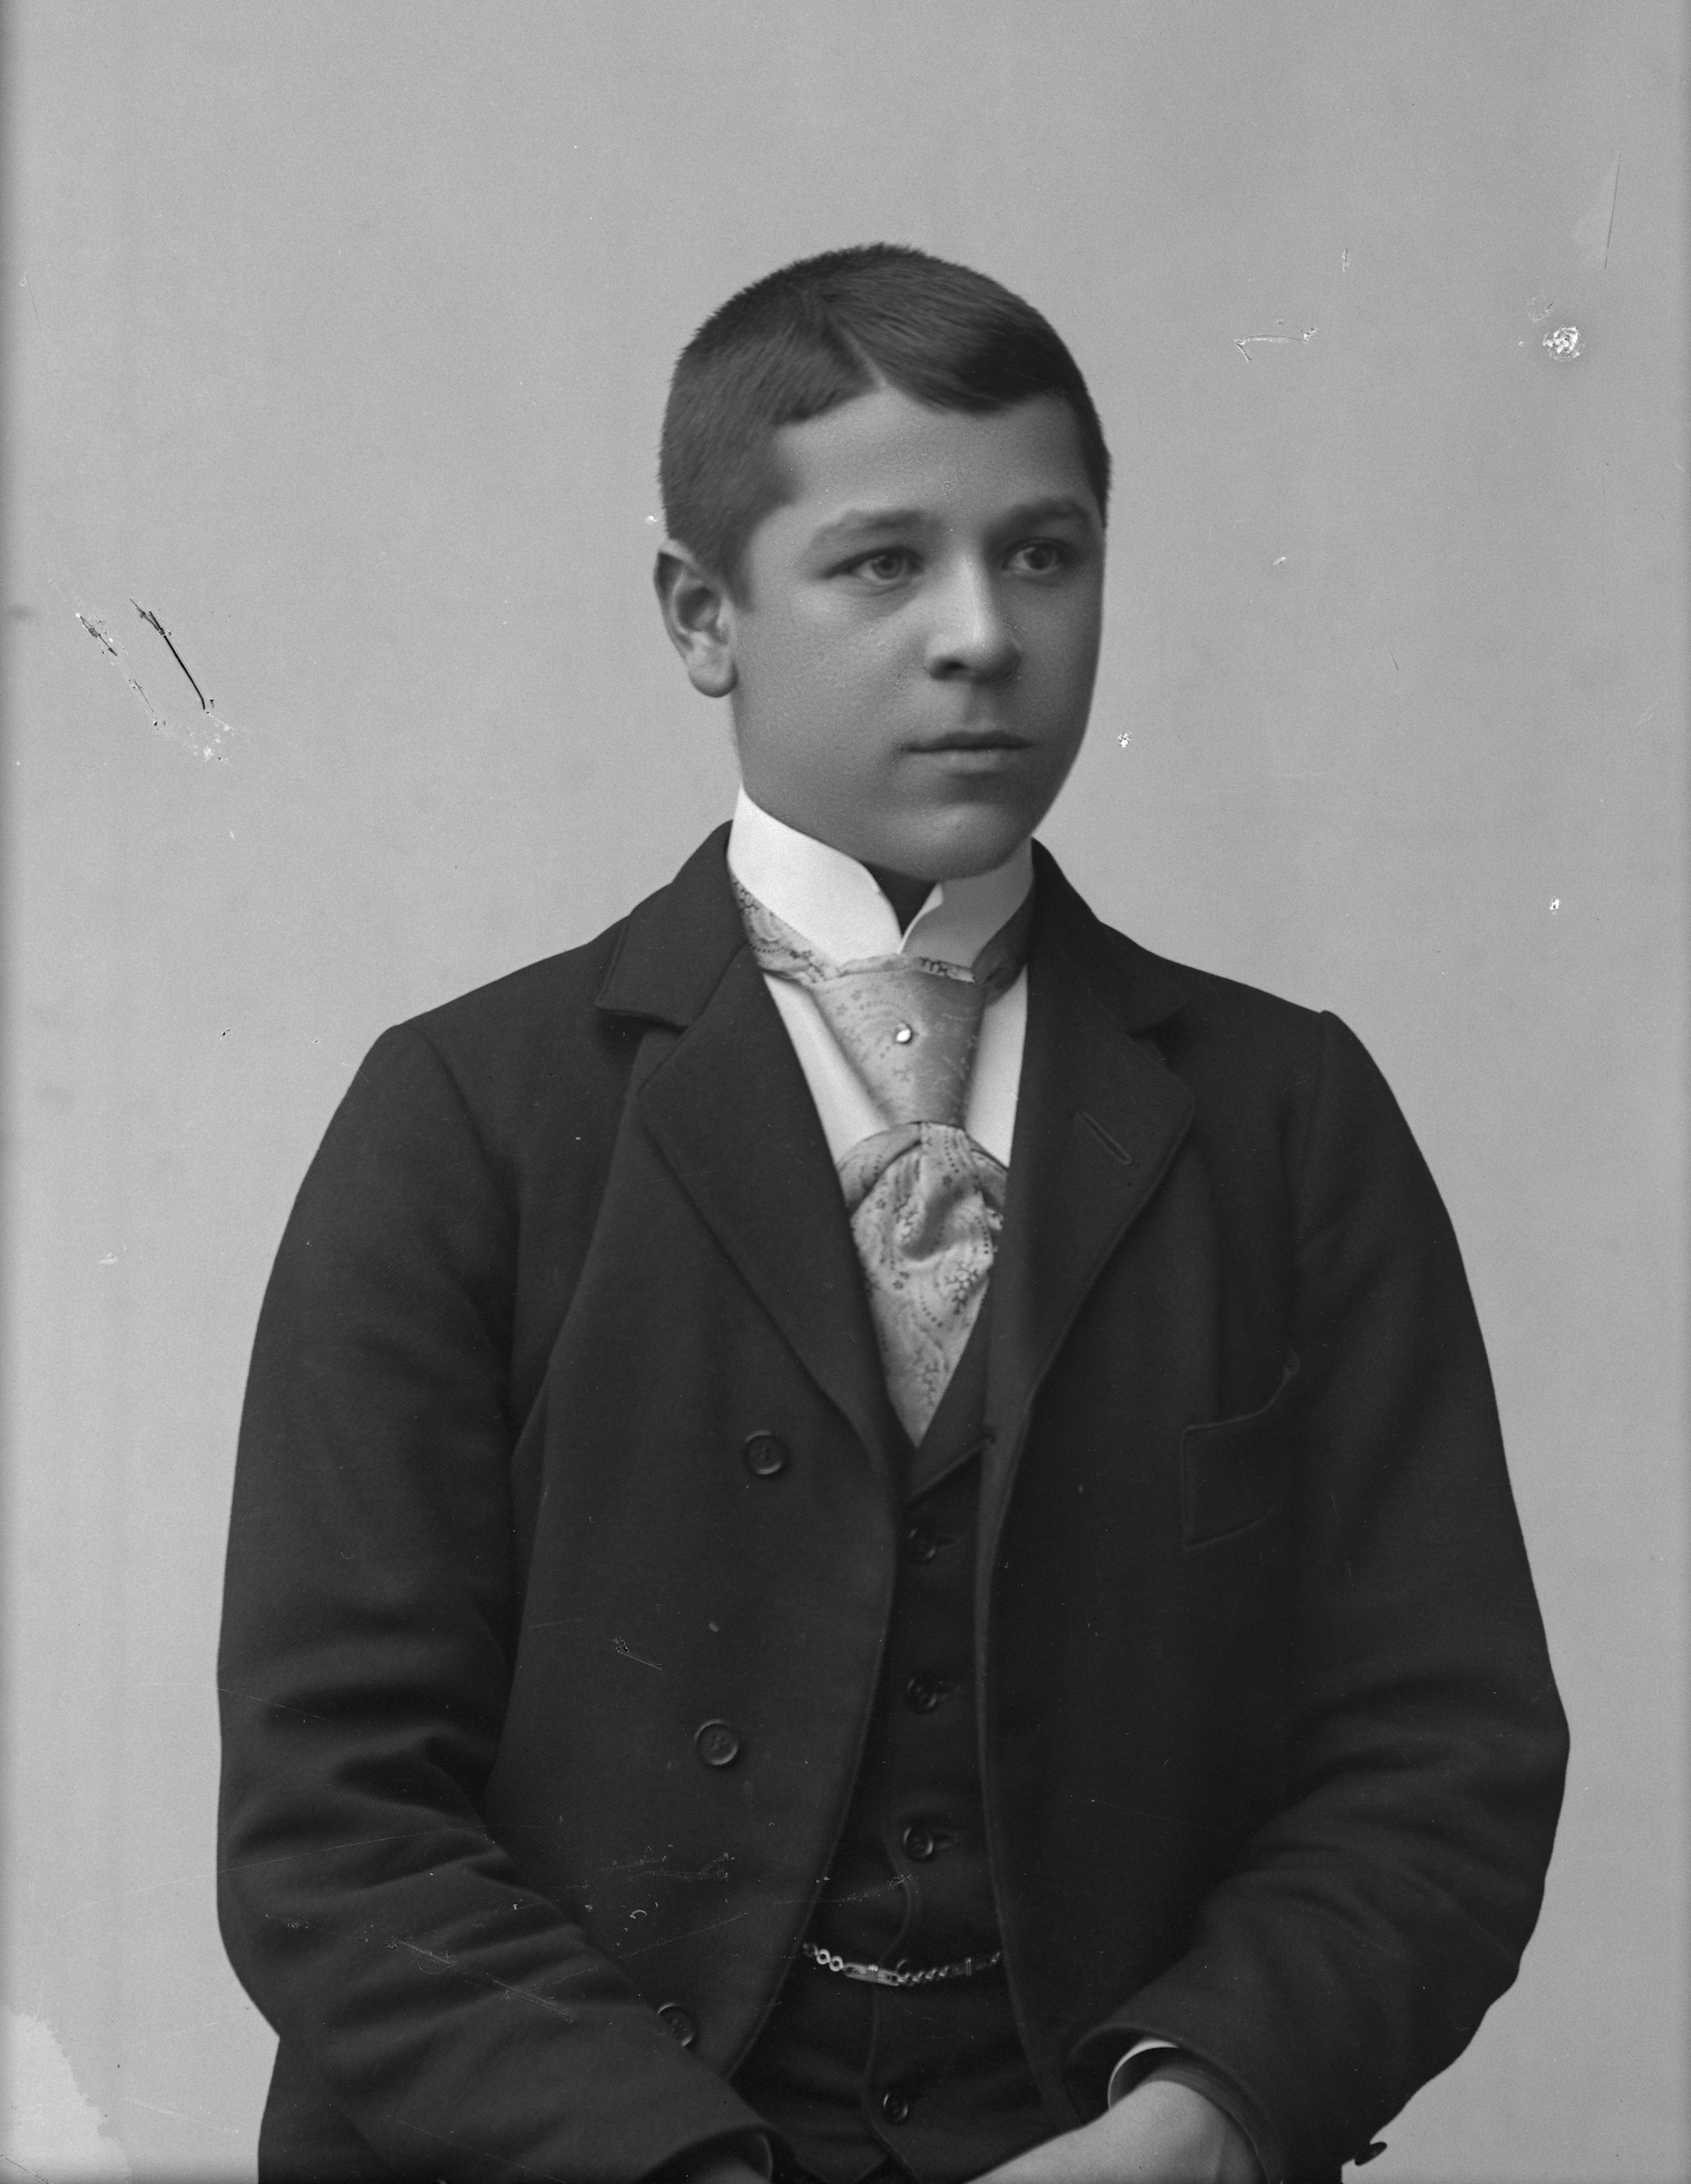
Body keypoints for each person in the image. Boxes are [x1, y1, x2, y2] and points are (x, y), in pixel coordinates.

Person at [217, 245, 1568, 2184]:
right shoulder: (466, 1117)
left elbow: (1443, 1755)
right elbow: (330, 1818)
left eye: (1044, 556)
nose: (982, 637)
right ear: (703, 616)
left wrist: (1200, 2122)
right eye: (880, 565)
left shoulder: (1286, 1118)